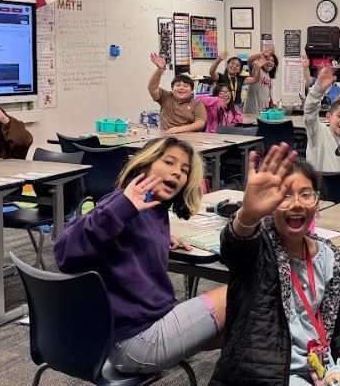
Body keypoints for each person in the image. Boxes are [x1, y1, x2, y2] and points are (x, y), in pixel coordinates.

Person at [54, 137, 227, 375]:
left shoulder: (153, 210)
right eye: (168, 162)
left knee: (242, 321)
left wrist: (159, 237)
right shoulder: (120, 202)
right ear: (145, 164)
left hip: (130, 334)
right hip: (133, 342)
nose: (176, 173)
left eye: (184, 170)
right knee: (241, 293)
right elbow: (63, 253)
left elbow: (127, 235)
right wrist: (122, 208)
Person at [210, 146, 340, 386]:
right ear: (271, 204)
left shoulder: (329, 258)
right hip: (268, 374)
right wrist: (247, 216)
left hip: (321, 369)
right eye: (285, 195)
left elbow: (330, 327)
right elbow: (235, 249)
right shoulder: (259, 248)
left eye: (305, 194)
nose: (296, 204)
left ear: (317, 202)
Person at [148, 53, 207, 134]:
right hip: (167, 138)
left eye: (186, 86)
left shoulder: (196, 103)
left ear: (192, 90)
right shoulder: (166, 97)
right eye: (178, 85)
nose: (181, 88)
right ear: (172, 89)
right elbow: (152, 88)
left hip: (189, 139)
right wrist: (160, 70)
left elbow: (200, 123)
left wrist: (179, 129)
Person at [243, 47, 279, 115]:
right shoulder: (257, 68)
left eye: (272, 60)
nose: (270, 62)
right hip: (252, 112)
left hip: (263, 113)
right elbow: (249, 60)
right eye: (267, 59)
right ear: (262, 61)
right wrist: (261, 54)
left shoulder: (269, 76)